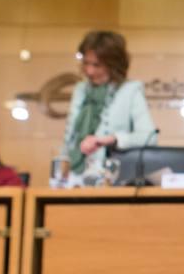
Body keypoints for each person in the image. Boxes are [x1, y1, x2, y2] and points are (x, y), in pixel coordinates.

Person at [61, 30, 157, 175]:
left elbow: (149, 137)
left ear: (114, 64)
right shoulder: (80, 90)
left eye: (97, 65)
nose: (89, 71)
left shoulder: (130, 90)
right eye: (86, 63)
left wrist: (110, 139)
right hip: (75, 177)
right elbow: (70, 139)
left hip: (111, 178)